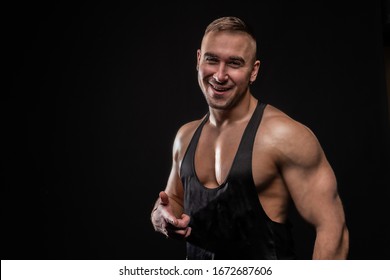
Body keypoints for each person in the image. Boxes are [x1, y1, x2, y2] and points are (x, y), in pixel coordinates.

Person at [150, 16, 349, 260]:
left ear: (253, 71)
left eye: (234, 63)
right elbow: (175, 199)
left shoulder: (282, 135)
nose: (220, 75)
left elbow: (333, 229)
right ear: (199, 60)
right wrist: (162, 214)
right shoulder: (185, 136)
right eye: (212, 60)